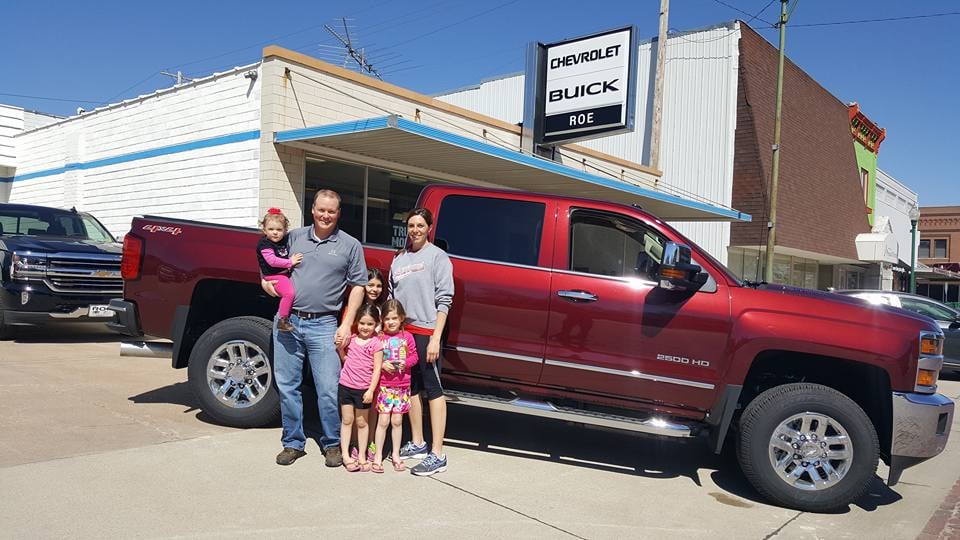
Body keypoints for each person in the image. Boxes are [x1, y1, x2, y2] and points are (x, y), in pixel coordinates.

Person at [263, 190, 368, 467]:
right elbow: (269, 264)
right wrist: (266, 284)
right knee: (287, 386)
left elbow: (359, 285)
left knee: (328, 388)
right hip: (288, 322)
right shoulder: (294, 236)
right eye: (321, 209)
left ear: (338, 213)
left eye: (331, 211)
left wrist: (347, 323)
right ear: (312, 209)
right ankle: (293, 442)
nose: (325, 215)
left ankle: (331, 442)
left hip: (324, 324)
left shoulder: (350, 245)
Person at [390, 207, 454, 476]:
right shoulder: (398, 259)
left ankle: (438, 454)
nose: (414, 230)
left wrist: (436, 338)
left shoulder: (438, 257)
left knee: (433, 389)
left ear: (429, 227)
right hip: (404, 332)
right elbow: (392, 299)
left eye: (420, 225)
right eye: (411, 225)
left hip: (427, 332)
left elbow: (445, 299)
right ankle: (417, 442)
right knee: (411, 388)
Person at [371, 299, 419, 473]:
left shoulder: (407, 337)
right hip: (384, 386)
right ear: (382, 320)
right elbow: (370, 356)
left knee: (397, 421)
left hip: (402, 386)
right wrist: (382, 364)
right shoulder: (379, 338)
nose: (391, 322)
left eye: (394, 318)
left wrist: (404, 363)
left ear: (401, 319)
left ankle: (396, 454)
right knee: (383, 421)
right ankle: (377, 457)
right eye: (387, 319)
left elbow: (415, 357)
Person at [337, 304, 383, 472]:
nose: (365, 327)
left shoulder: (376, 344)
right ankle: (346, 455)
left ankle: (362, 455)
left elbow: (377, 369)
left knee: (362, 423)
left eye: (370, 324)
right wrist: (341, 351)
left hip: (363, 389)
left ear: (376, 324)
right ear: (357, 322)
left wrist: (371, 390)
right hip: (346, 386)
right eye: (362, 323)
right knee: (347, 420)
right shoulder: (352, 339)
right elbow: (343, 354)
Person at [256, 208, 303, 332]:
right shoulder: (264, 244)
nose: (275, 233)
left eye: (279, 229)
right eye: (271, 229)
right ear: (264, 230)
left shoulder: (284, 240)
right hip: (274, 276)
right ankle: (283, 320)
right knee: (289, 293)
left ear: (285, 230)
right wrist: (290, 262)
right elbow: (272, 261)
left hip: (283, 274)